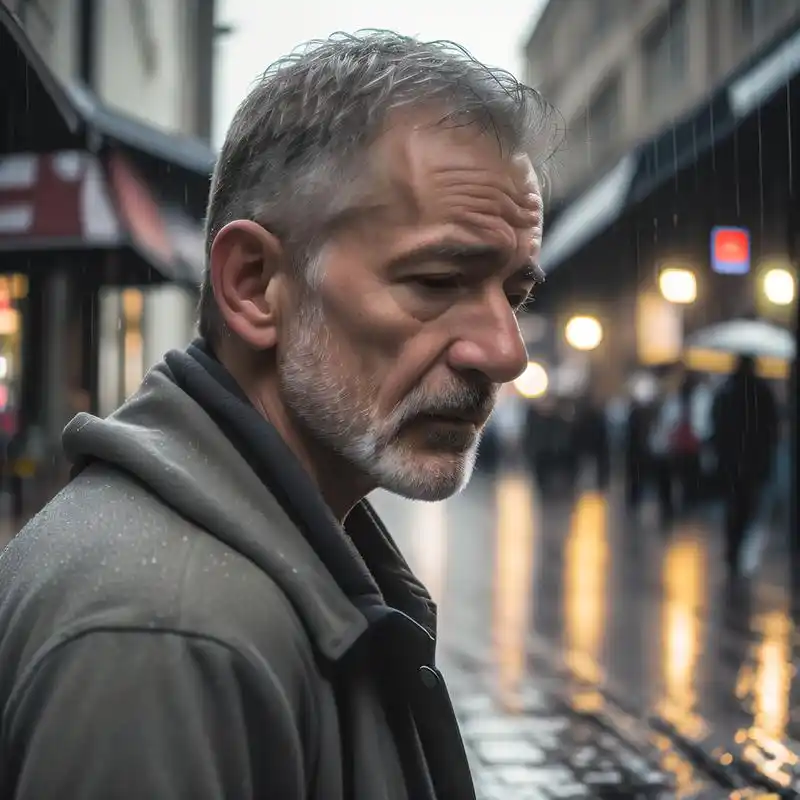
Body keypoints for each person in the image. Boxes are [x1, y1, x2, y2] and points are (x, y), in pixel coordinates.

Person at [0, 32, 553, 799]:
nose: (504, 351)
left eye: (515, 295)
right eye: (437, 281)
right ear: (255, 285)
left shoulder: (226, 588)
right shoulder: (169, 637)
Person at [711, 354, 779, 576]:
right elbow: (772, 430)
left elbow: (717, 426)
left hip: (732, 463)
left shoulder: (726, 393)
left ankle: (733, 550)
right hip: (753, 463)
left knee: (734, 508)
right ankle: (737, 551)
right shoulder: (763, 393)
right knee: (748, 507)